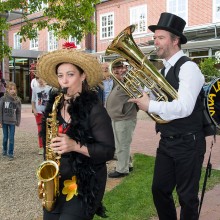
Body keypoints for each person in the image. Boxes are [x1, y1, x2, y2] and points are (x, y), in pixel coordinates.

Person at [129, 12, 206, 220]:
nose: (156, 42)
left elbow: (185, 107)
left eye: (160, 37)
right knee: (160, 191)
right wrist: (145, 99)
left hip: (189, 142)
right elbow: (160, 104)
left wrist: (150, 104)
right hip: (167, 141)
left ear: (175, 40)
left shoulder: (189, 68)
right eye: (155, 38)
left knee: (187, 197)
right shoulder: (163, 71)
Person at [36, 48, 115, 220]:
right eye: (60, 75)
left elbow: (108, 151)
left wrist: (74, 145)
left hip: (83, 184)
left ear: (83, 75)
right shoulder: (54, 107)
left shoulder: (95, 110)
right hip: (57, 182)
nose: (64, 81)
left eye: (70, 75)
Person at [106, 61, 138, 178]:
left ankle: (122, 169)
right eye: (115, 68)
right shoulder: (117, 81)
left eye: (120, 67)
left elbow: (137, 93)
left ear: (125, 68)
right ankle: (127, 164)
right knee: (122, 143)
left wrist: (127, 74)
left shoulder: (128, 80)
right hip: (118, 118)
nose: (118, 70)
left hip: (124, 118)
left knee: (122, 145)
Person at [0, 82, 21, 160]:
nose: (12, 90)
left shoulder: (17, 100)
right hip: (4, 122)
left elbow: (18, 112)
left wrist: (18, 121)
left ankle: (10, 153)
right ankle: (4, 150)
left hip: (12, 122)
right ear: (7, 89)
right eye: (10, 89)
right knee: (5, 137)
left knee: (11, 138)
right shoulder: (3, 99)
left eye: (14, 89)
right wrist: (0, 122)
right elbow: (0, 111)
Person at [31, 77, 51, 155]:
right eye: (39, 79)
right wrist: (34, 110)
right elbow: (33, 101)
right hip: (38, 113)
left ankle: (48, 146)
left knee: (48, 129)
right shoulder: (35, 89)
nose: (40, 80)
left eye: (42, 78)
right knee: (40, 129)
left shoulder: (49, 89)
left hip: (47, 113)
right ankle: (41, 147)